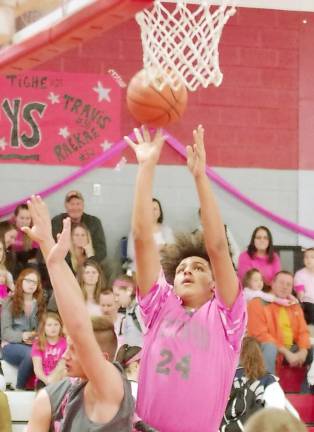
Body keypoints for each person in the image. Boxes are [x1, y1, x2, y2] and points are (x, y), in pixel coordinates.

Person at [124, 125, 246, 432]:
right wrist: (145, 169)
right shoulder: (159, 304)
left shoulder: (226, 317)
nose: (187, 271)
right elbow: (141, 238)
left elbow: (217, 248)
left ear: (215, 284)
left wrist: (200, 177)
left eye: (197, 268)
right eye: (180, 270)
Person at [24, 196, 134, 431]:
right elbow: (77, 309)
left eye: (75, 348)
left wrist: (53, 262)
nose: (66, 354)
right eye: (70, 346)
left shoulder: (112, 384)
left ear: (103, 360)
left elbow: (79, 326)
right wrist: (47, 245)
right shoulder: (55, 395)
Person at [247, 271, 311, 375]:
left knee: (310, 349)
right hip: (267, 350)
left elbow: (303, 332)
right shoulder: (257, 303)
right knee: (270, 347)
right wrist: (287, 353)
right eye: (281, 283)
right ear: (273, 283)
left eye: (288, 284)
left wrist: (303, 352)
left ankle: (308, 389)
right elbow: (260, 335)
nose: (285, 287)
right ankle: (268, 387)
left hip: (291, 349)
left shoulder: (294, 305)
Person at [1, 267, 45, 389]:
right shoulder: (9, 302)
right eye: (28, 281)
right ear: (21, 281)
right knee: (31, 354)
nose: (31, 285)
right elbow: (5, 332)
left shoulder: (39, 303)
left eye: (34, 282)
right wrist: (22, 336)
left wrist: (35, 336)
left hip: (33, 343)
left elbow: (42, 328)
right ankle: (19, 388)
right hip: (11, 345)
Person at [51, 190, 107, 263]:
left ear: (83, 205)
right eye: (72, 204)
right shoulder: (57, 222)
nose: (75, 207)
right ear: (65, 205)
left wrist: (89, 263)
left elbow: (101, 250)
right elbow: (52, 247)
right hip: (65, 263)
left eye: (78, 204)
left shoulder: (94, 222)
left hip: (91, 262)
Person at [127, 197, 174, 272]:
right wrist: (158, 249)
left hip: (164, 267)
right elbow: (131, 254)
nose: (152, 212)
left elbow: (173, 251)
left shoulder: (167, 230)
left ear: (159, 212)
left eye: (155, 209)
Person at [31, 312, 67, 390]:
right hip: (43, 380)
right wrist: (47, 381)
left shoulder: (65, 343)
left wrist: (54, 379)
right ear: (44, 327)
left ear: (61, 326)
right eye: (49, 325)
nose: (53, 328)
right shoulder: (38, 343)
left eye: (56, 324)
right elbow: (37, 369)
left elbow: (63, 365)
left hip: (60, 378)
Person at [112, 274, 145, 347]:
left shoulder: (138, 310)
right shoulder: (129, 309)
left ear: (129, 291)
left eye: (117, 295)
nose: (116, 299)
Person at [11, 203, 40, 272]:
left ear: (31, 220)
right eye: (22, 218)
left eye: (28, 218)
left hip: (27, 268)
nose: (24, 221)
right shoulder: (9, 230)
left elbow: (35, 257)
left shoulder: (33, 233)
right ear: (15, 218)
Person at [294, 247, 314, 325]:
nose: (308, 259)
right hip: (307, 302)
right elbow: (300, 295)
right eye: (306, 257)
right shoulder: (299, 274)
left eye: (312, 257)